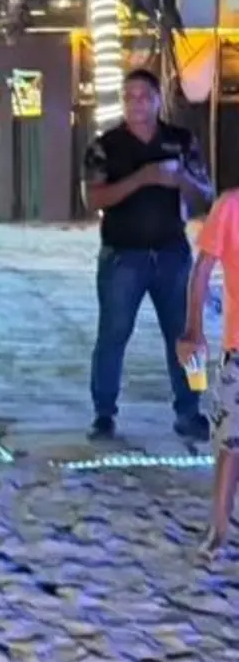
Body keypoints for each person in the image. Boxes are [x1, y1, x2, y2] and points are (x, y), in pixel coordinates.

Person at [84, 68, 213, 443]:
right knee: (113, 335)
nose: (136, 103)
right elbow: (93, 198)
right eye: (129, 96)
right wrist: (142, 178)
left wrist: (180, 180)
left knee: (185, 334)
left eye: (144, 96)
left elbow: (206, 196)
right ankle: (103, 414)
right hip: (123, 256)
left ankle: (190, 410)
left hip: (172, 253)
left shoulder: (181, 141)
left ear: (159, 100)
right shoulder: (105, 146)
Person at [178, 190, 239, 555]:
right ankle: (218, 528)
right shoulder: (230, 207)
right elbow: (202, 269)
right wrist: (193, 329)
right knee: (230, 443)